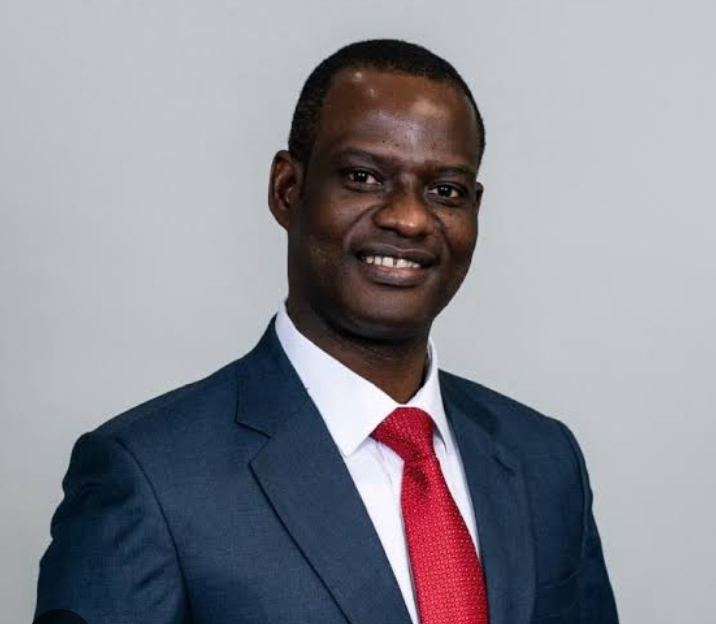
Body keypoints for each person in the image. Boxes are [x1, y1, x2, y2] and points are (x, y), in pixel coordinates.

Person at [34, 39, 619, 624]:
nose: (409, 218)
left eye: (446, 191)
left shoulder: (545, 459)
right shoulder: (150, 479)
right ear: (288, 190)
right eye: (364, 177)